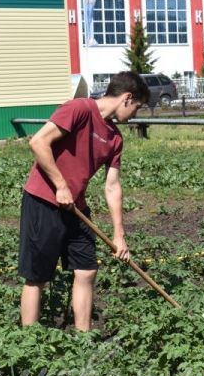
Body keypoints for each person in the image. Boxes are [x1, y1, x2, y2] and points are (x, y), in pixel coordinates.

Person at [18, 71, 150, 331]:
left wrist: (119, 234)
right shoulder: (79, 109)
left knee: (87, 270)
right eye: (137, 106)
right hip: (43, 200)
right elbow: (38, 142)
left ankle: (83, 339)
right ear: (127, 98)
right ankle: (28, 345)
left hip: (75, 208)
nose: (135, 114)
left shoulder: (115, 138)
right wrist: (60, 185)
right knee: (37, 277)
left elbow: (112, 187)